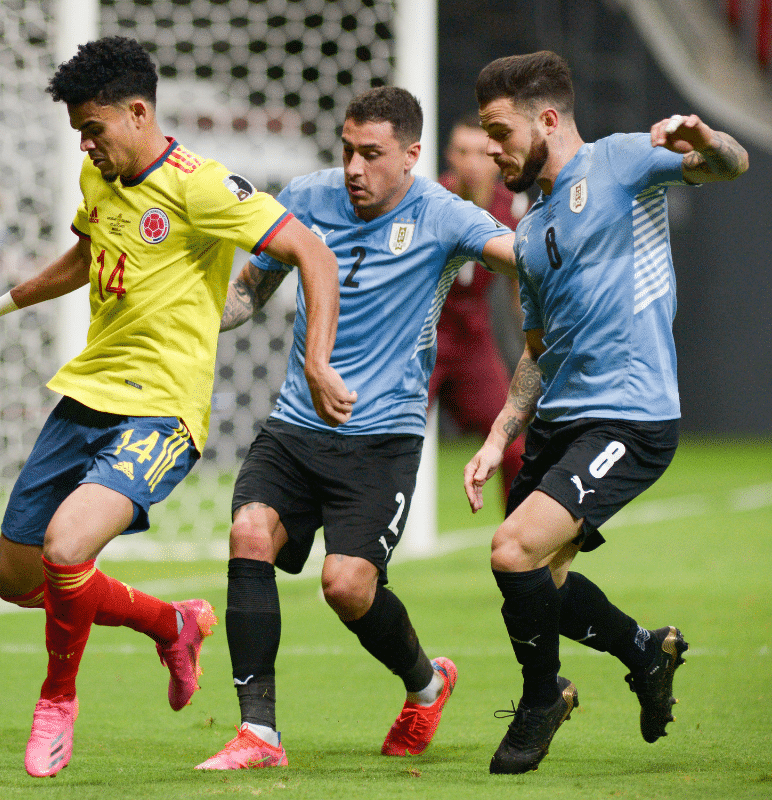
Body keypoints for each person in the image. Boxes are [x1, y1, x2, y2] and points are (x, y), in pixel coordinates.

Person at [0, 36, 352, 778]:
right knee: (17, 579)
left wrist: (316, 359)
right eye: (79, 135)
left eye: (94, 130)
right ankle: (171, 622)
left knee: (66, 548)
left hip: (162, 413)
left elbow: (311, 253)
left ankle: (57, 702)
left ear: (138, 112)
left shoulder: (203, 185)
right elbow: (86, 256)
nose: (87, 147)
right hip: (85, 396)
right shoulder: (102, 179)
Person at [195, 87, 517, 770]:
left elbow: (522, 256)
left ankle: (427, 683)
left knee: (345, 585)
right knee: (249, 530)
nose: (353, 167)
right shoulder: (308, 199)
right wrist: (189, 319)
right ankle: (260, 734)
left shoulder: (443, 214)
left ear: (411, 155)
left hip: (382, 437)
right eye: (347, 149)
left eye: (371, 154)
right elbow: (252, 289)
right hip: (294, 425)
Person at [465, 50, 748, 775]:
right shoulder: (529, 231)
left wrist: (707, 141)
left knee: (511, 550)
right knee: (540, 586)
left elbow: (731, 166)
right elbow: (537, 349)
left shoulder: (621, 162)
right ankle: (644, 651)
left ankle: (541, 699)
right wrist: (501, 433)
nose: (490, 150)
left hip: (630, 416)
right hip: (559, 420)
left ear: (548, 120)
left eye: (498, 132)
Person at [431, 114, 527, 508]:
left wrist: (537, 346)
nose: (470, 161)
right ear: (448, 156)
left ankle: (520, 546)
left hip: (472, 339)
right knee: (388, 442)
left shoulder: (513, 209)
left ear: (494, 157)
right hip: (425, 338)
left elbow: (519, 290)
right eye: (461, 151)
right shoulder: (430, 202)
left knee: (514, 446)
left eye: (479, 152)